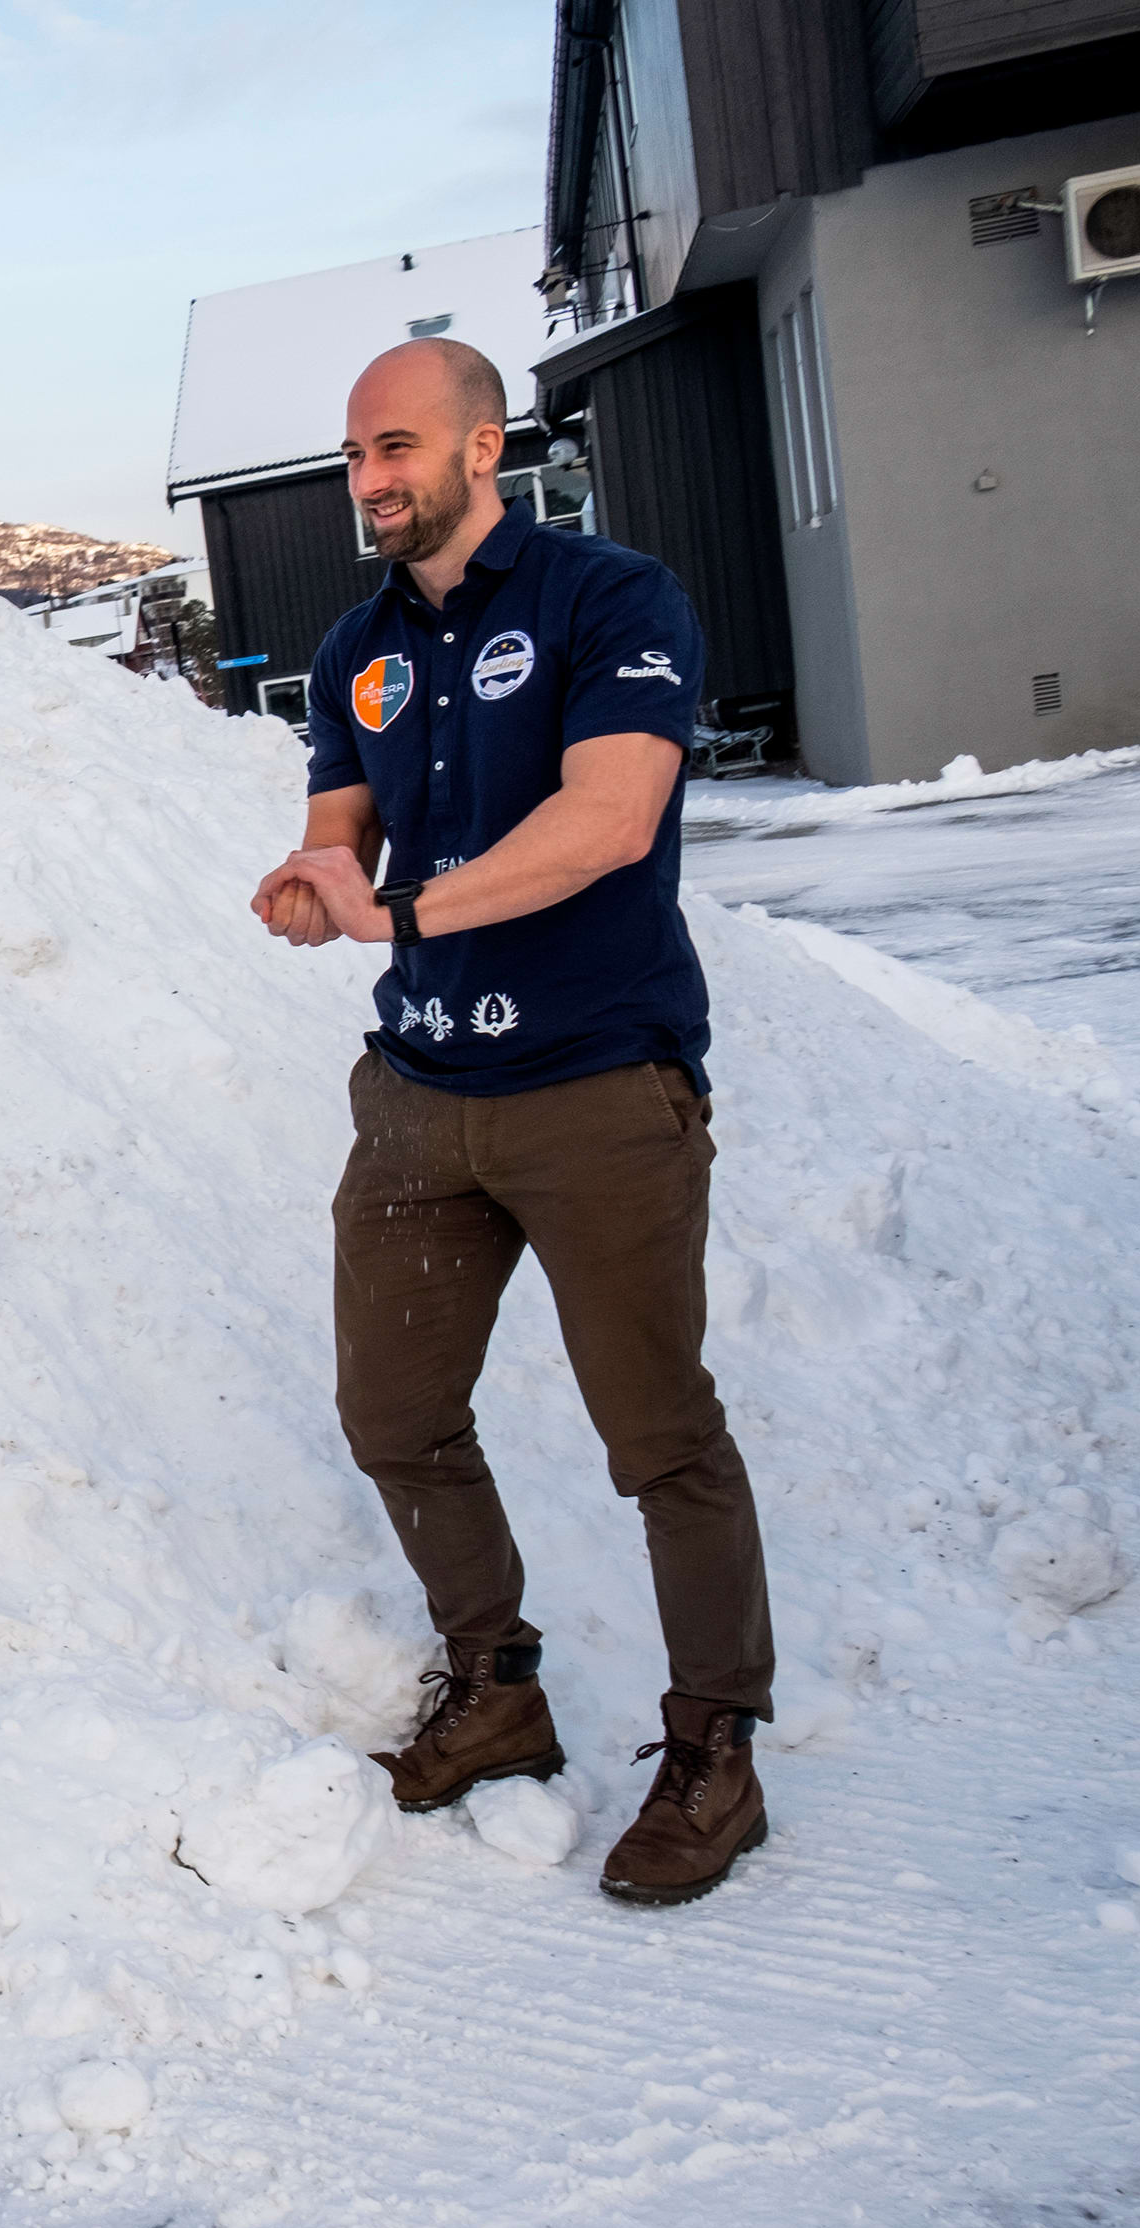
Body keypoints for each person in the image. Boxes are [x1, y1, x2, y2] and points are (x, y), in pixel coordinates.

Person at [251, 337, 774, 1909]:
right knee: (395, 1416)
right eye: (356, 454)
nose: (370, 479)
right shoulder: (357, 648)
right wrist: (316, 885)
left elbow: (610, 821)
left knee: (661, 1438)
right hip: (422, 1102)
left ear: (486, 446)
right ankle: (498, 1689)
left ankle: (717, 1749)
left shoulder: (610, 600)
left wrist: (401, 909)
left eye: (398, 446)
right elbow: (341, 838)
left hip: (598, 1087)